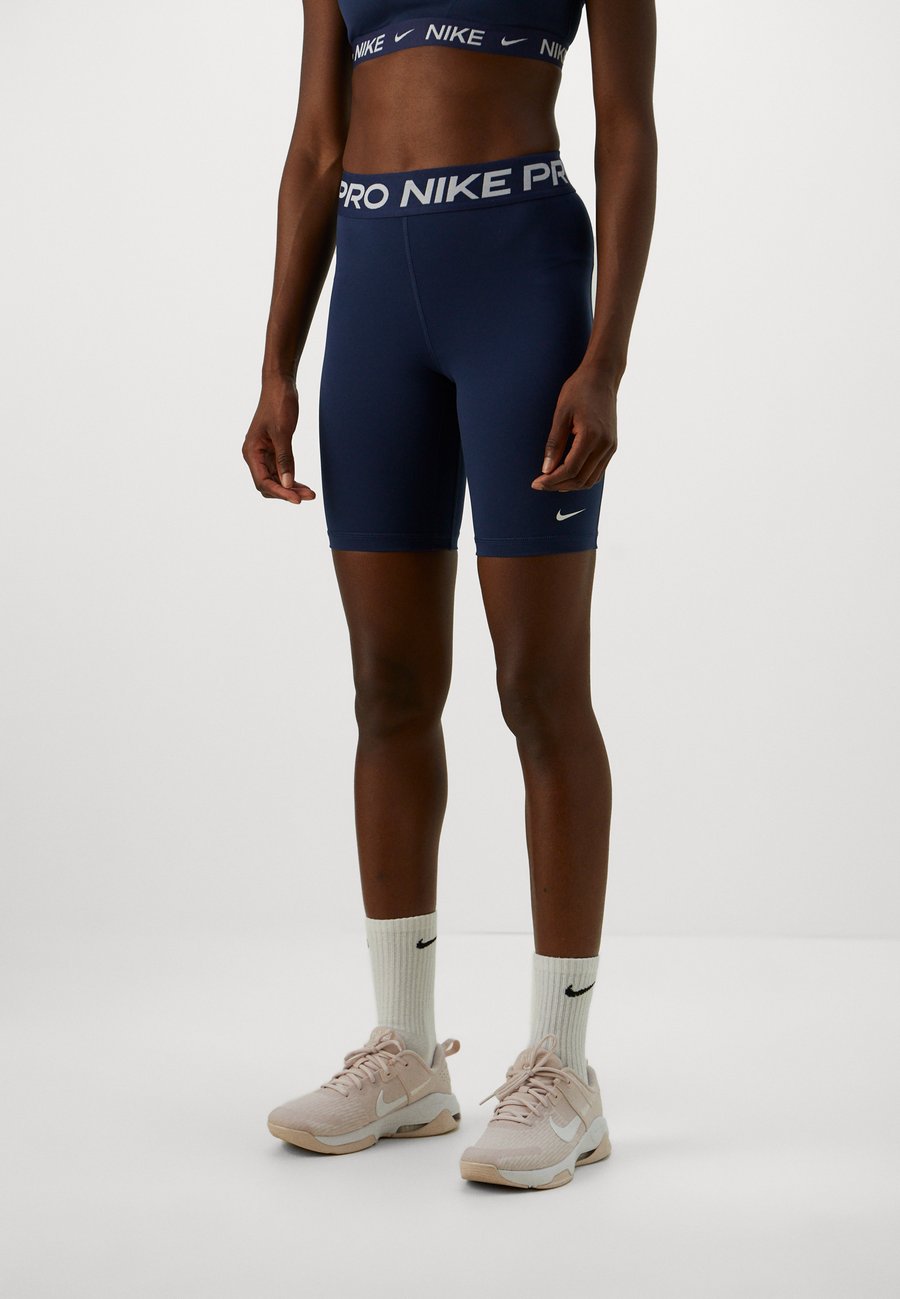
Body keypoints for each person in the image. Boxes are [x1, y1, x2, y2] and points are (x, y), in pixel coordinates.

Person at [244, 0, 657, 1191]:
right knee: (387, 686)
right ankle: (409, 1054)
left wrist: (606, 359)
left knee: (538, 687)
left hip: (520, 279)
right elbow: (317, 144)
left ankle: (563, 1067)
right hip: (373, 297)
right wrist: (275, 363)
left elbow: (628, 130)